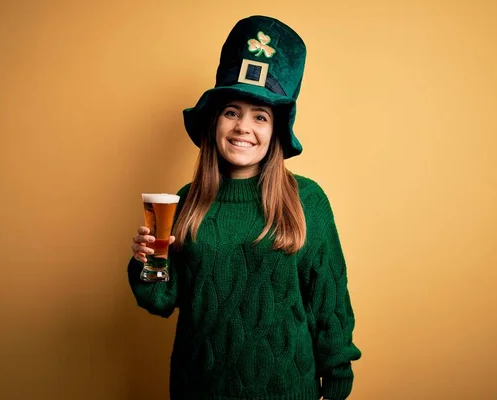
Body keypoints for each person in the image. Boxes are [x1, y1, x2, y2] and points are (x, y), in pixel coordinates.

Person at [128, 15, 361, 400]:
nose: (243, 127)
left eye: (260, 116)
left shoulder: (308, 202)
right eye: (232, 111)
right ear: (215, 120)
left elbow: (330, 306)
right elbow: (160, 300)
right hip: (198, 389)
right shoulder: (186, 201)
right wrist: (147, 262)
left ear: (276, 132)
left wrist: (337, 381)